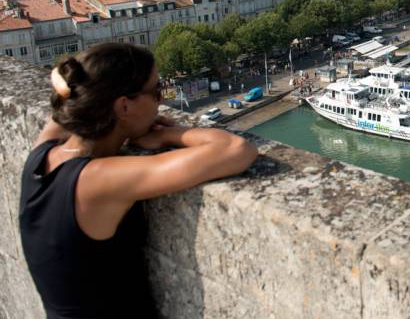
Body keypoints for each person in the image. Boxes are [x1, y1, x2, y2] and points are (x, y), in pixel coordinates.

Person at [18, 43, 258, 318]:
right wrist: (171, 134)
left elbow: (68, 102)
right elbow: (236, 150)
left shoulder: (40, 156)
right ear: (123, 105)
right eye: (156, 90)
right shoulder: (95, 181)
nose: (161, 99)